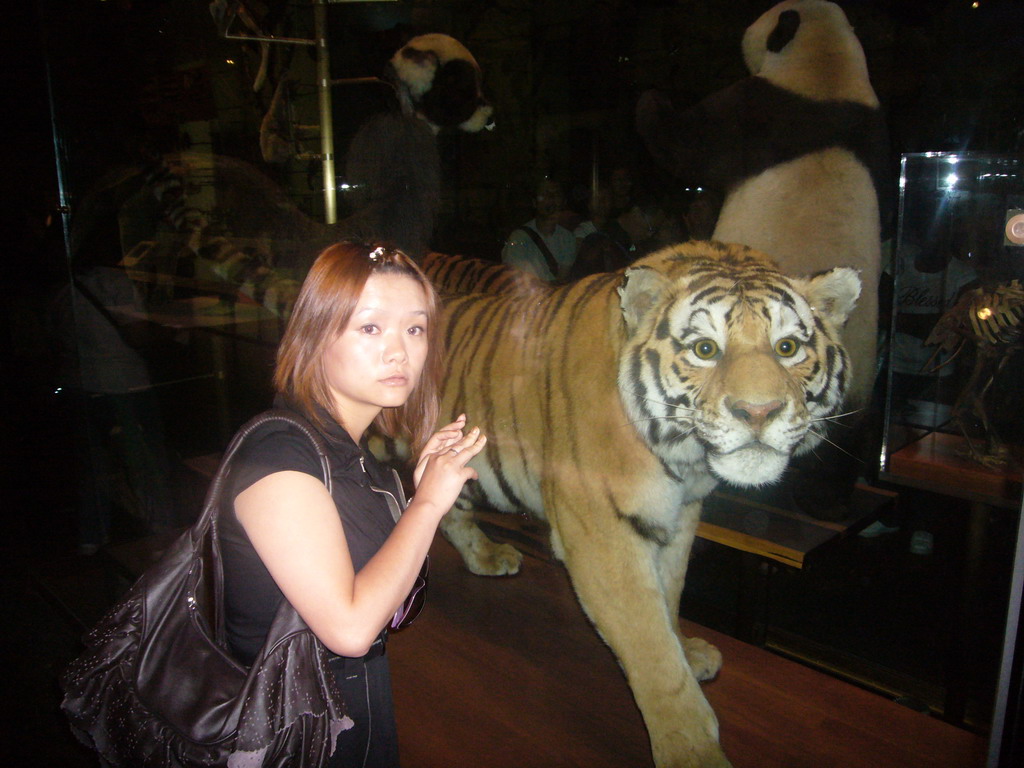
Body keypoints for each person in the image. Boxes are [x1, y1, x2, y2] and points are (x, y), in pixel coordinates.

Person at [220, 241, 486, 767]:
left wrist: (414, 492)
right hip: (288, 735)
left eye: (414, 329)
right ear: (315, 334)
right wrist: (427, 504)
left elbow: (392, 598)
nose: (399, 352)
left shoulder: (346, 453)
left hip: (342, 714)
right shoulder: (280, 456)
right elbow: (350, 629)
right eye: (370, 328)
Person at [501, 178, 576, 281]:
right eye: (545, 194)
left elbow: (562, 279)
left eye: (556, 195)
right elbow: (517, 280)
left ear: (563, 202)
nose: (551, 198)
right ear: (534, 203)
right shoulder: (519, 238)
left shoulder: (568, 238)